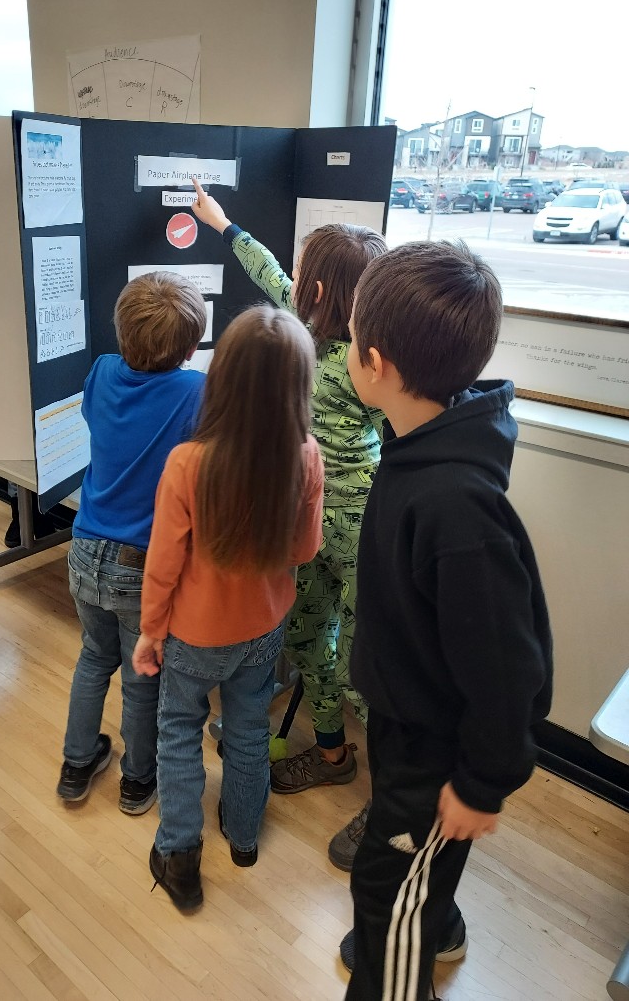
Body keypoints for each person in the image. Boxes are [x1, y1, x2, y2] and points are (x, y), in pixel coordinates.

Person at [342, 240, 553, 1000]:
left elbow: (506, 667)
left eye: (350, 337)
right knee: (400, 874)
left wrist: (483, 784)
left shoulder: (456, 507)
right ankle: (417, 917)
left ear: (378, 363)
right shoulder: (422, 441)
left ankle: (395, 952)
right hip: (408, 722)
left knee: (387, 888)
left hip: (439, 750)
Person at [190, 178, 386, 869]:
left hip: (362, 532)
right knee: (307, 638)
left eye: (307, 275)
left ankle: (391, 802)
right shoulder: (299, 329)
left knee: (370, 665)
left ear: (325, 295)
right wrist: (223, 224)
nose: (294, 279)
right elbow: (269, 269)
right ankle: (330, 750)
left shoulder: (373, 362)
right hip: (305, 521)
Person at [132, 306, 324, 912]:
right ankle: (243, 839)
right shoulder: (306, 455)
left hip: (193, 637)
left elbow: (162, 566)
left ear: (222, 378)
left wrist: (148, 634)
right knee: (247, 729)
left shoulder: (188, 463)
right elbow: (304, 549)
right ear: (299, 385)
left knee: (179, 732)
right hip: (263, 628)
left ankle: (179, 854)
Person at [57, 271, 207, 814]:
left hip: (83, 548)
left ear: (121, 332)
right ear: (192, 346)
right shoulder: (196, 389)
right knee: (143, 675)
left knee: (94, 658)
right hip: (141, 563)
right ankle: (138, 779)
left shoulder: (100, 371)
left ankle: (77, 763)